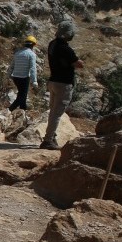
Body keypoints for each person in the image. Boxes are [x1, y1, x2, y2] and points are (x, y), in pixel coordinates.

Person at [41, 20, 84, 150]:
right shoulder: (66, 48)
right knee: (57, 114)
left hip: (53, 81)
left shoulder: (52, 44)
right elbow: (79, 64)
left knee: (52, 111)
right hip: (63, 84)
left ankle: (51, 136)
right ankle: (48, 141)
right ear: (67, 34)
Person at [8, 35, 39, 113]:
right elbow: (32, 68)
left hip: (15, 78)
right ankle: (9, 110)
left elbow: (12, 66)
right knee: (21, 97)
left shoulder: (18, 53)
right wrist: (34, 81)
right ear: (33, 45)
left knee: (22, 96)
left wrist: (8, 75)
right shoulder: (31, 54)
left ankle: (23, 112)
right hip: (24, 78)